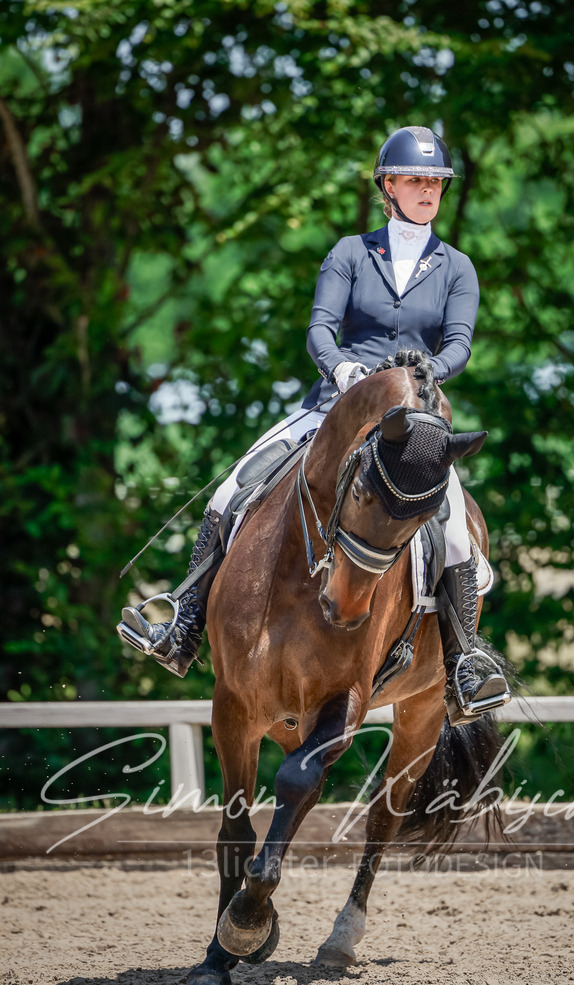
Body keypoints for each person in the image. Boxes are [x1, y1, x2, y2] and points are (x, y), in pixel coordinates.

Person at [118, 125, 509, 723]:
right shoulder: (351, 253)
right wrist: (343, 367)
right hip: (333, 409)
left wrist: (429, 368)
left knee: (455, 528)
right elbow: (320, 330)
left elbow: (460, 344)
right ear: (389, 186)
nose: (428, 189)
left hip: (414, 422)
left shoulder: (457, 267)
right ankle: (186, 620)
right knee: (231, 490)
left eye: (435, 181)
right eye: (415, 179)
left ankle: (464, 664)